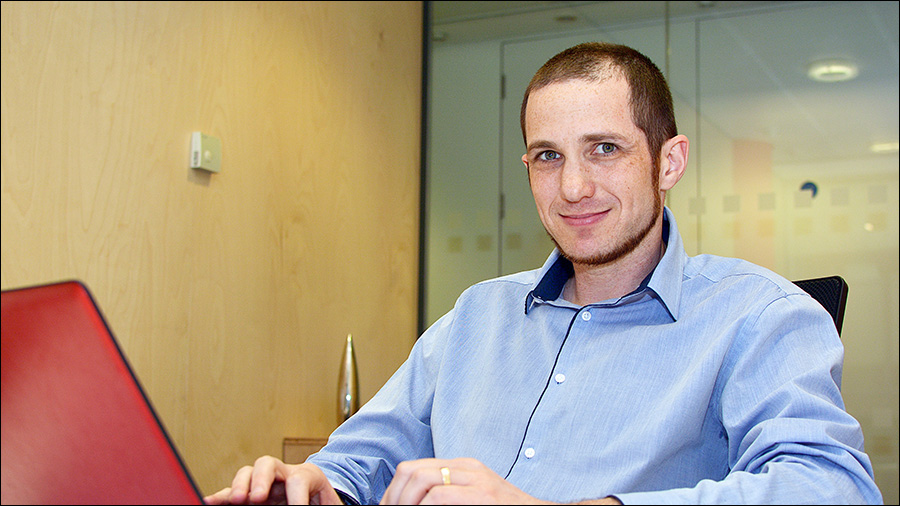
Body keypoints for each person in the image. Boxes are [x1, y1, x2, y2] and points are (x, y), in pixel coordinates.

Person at [205, 42, 883, 505]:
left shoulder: (760, 316)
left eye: (605, 149)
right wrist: (310, 484)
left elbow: (830, 487)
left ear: (669, 162)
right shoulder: (478, 315)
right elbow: (359, 460)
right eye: (548, 157)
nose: (575, 187)